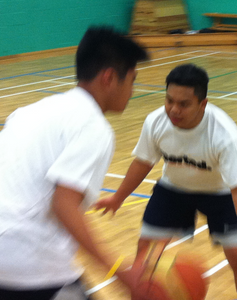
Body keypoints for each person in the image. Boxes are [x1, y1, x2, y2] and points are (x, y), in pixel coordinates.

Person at [95, 64, 237, 300]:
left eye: (183, 104)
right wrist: (118, 197)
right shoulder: (156, 122)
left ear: (203, 104)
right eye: (169, 101)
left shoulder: (224, 134)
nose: (173, 109)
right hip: (174, 190)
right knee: (145, 257)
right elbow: (143, 163)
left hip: (219, 194)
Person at [0, 26, 149, 300]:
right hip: (25, 259)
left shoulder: (30, 111)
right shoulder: (94, 127)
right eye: (131, 80)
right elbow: (64, 204)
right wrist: (118, 270)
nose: (132, 90)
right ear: (108, 77)